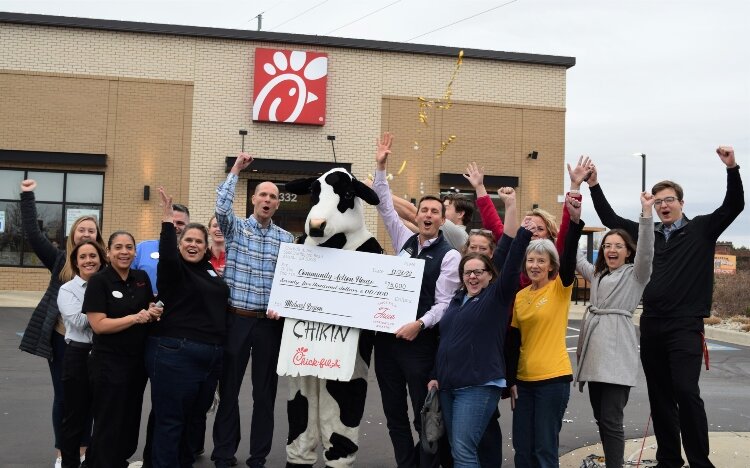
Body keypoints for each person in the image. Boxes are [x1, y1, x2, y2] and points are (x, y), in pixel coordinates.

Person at [585, 146, 744, 468]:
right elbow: (610, 220)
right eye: (658, 202)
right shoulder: (648, 234)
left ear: (681, 203)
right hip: (653, 323)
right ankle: (669, 459)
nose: (663, 206)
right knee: (659, 397)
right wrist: (594, 185)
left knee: (686, 392)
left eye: (669, 200)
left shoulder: (701, 229)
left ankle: (700, 461)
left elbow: (734, 206)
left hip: (686, 324)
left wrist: (732, 168)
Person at [371, 132, 462, 468]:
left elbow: (444, 304)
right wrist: (381, 168)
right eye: (423, 210)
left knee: (423, 413)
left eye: (434, 212)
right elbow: (383, 207)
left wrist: (419, 324)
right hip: (387, 342)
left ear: (441, 220)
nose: (427, 215)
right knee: (393, 412)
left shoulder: (449, 256)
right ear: (418, 215)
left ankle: (428, 463)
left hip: (420, 343)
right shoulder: (405, 240)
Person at [428, 216, 536, 467]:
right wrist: (435, 374)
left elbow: (510, 268)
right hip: (448, 385)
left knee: (464, 450)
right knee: (459, 448)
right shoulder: (456, 300)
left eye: (479, 272)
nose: (473, 277)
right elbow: (447, 340)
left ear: (490, 275)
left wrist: (523, 235)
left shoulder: (495, 298)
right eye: (468, 272)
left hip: (477, 386)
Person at [211, 152, 294, 468]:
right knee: (229, 391)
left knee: (265, 395)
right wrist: (235, 170)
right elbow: (221, 208)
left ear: (277, 204)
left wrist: (282, 305)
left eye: (273, 197)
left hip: (267, 326)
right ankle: (223, 453)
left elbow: (290, 283)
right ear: (254, 199)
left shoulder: (286, 240)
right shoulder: (235, 230)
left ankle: (257, 456)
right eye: (263, 194)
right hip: (236, 319)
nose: (268, 200)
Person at [18, 178, 105, 468]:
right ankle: (62, 453)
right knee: (66, 398)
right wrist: (27, 197)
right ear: (73, 234)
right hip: (62, 340)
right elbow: (32, 233)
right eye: (81, 229)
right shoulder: (59, 261)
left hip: (97, 343)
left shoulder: (102, 266)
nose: (85, 234)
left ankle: (83, 450)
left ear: (97, 236)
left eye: (91, 230)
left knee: (91, 399)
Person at [145, 188, 229, 467]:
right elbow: (167, 256)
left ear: (206, 247)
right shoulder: (173, 269)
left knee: (193, 421)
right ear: (179, 245)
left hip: (209, 358)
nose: (193, 245)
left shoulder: (210, 272)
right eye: (187, 241)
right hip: (174, 353)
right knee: (170, 422)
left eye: (198, 241)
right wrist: (168, 222)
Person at [573, 186, 655, 468]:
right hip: (595, 354)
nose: (611, 249)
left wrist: (646, 214)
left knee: (611, 419)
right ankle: (613, 462)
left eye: (618, 246)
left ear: (628, 252)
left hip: (617, 353)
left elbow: (646, 252)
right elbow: (576, 258)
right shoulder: (597, 275)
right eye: (607, 245)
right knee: (601, 417)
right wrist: (573, 222)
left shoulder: (636, 274)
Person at [506, 195, 583, 468]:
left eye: (541, 261)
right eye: (530, 260)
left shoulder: (560, 287)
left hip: (553, 380)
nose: (535, 265)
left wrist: (573, 221)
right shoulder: (520, 296)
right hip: (524, 383)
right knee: (523, 451)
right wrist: (510, 380)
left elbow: (570, 252)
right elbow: (513, 341)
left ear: (551, 265)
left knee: (544, 450)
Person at [82, 231, 162, 468]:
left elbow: (147, 305)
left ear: (135, 252)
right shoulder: (99, 281)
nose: (124, 252)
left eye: (129, 247)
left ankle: (119, 461)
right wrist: (135, 318)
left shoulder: (141, 277)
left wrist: (152, 311)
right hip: (108, 363)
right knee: (109, 420)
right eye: (118, 247)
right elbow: (98, 325)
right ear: (108, 252)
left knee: (129, 419)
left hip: (137, 363)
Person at [57, 240, 107, 468]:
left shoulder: (107, 284)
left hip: (105, 355)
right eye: (83, 257)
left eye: (93, 256)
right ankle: (69, 464)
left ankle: (94, 462)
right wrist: (108, 313)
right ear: (76, 263)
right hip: (78, 356)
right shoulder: (67, 290)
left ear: (101, 259)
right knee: (74, 418)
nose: (89, 260)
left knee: (103, 416)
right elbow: (78, 321)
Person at [132, 203, 190, 294]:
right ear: (163, 223)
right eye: (171, 222)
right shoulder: (141, 249)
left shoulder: (192, 253)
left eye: (180, 223)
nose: (174, 226)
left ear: (188, 227)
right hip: (145, 306)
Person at [390, 188, 474, 250]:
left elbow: (410, 213)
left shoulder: (458, 233)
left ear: (460, 214)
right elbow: (409, 223)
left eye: (445, 208)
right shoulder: (443, 233)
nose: (442, 211)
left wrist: (381, 193)